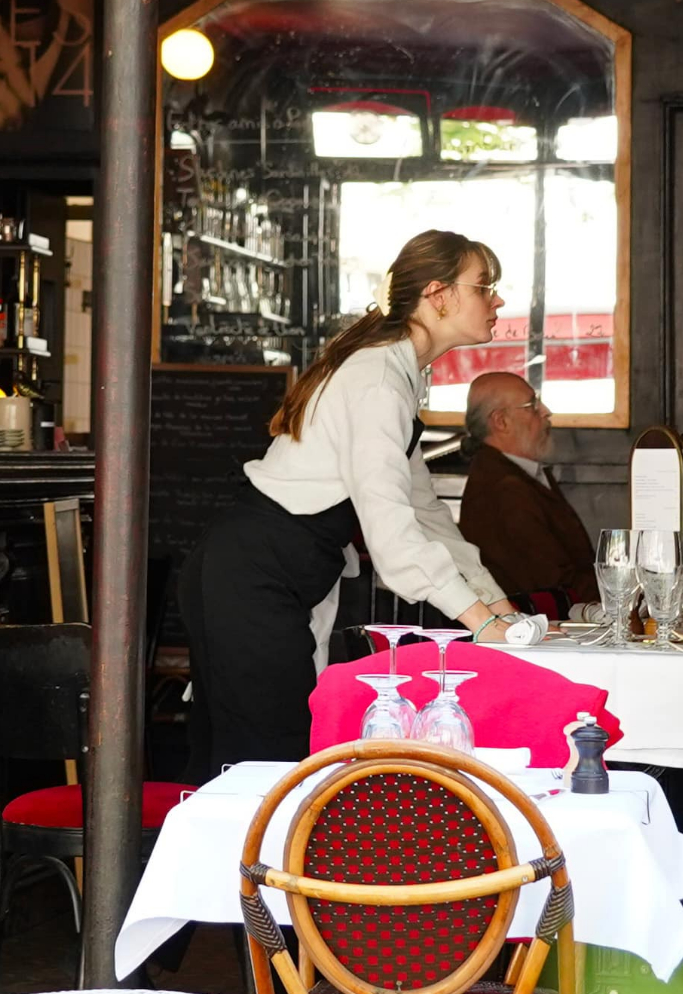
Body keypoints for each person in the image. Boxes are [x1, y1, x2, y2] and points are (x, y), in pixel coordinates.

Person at [182, 228, 514, 770]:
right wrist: (478, 622)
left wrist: (500, 608)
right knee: (259, 769)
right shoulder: (378, 380)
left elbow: (426, 515)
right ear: (439, 294)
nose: (497, 300)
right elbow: (392, 534)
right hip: (251, 577)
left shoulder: (398, 375)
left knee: (276, 760)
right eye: (485, 286)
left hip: (267, 575)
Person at [453, 370, 598, 616]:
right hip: (540, 628)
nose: (546, 411)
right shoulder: (505, 488)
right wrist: (628, 599)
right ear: (501, 421)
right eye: (532, 405)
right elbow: (554, 581)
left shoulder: (516, 474)